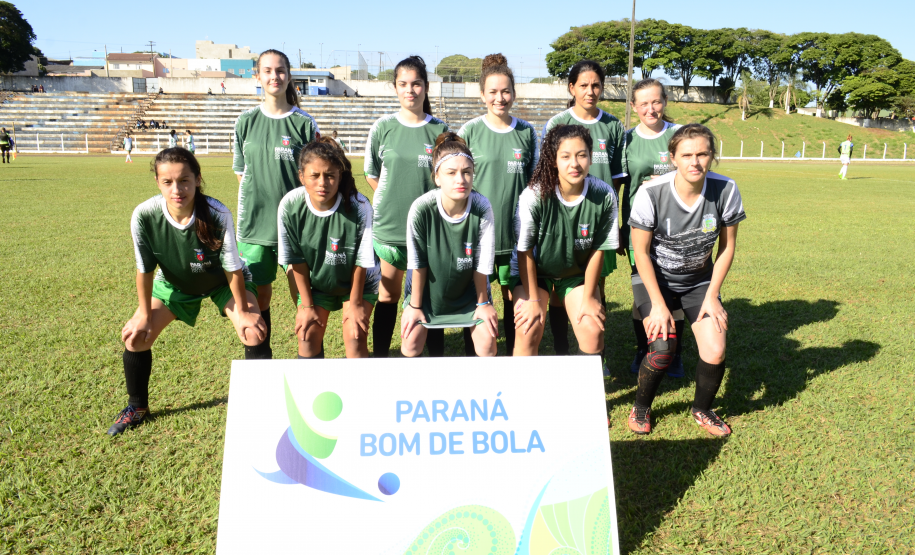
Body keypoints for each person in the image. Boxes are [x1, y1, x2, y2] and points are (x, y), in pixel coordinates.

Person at [108, 147, 268, 436]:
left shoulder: (217, 213)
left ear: (197, 179)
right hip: (175, 284)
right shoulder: (144, 215)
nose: (177, 189)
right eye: (167, 182)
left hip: (223, 282)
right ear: (158, 183)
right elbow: (144, 271)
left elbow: (232, 269)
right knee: (136, 337)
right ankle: (137, 407)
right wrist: (144, 315)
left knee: (253, 331)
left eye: (184, 180)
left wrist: (243, 313)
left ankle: (260, 405)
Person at [626, 124, 745, 437]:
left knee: (716, 347)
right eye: (687, 154)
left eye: (703, 154)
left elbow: (727, 246)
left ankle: (702, 409)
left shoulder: (727, 189)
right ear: (673, 158)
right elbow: (639, 251)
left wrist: (712, 295)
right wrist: (658, 305)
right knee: (663, 347)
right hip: (655, 279)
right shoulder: (651, 192)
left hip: (698, 282)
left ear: (711, 156)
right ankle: (641, 407)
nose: (695, 161)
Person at [232, 49, 320, 359]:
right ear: (257, 76)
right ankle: (260, 363)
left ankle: (309, 362)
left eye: (280, 70)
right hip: (255, 229)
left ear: (289, 75)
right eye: (267, 71)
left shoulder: (304, 124)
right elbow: (242, 173)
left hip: (297, 229)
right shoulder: (246, 121)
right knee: (259, 297)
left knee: (304, 298)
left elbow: (316, 176)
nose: (274, 76)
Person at [363, 55, 449, 358]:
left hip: (429, 232)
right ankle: (382, 358)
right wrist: (392, 198)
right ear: (395, 87)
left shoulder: (440, 130)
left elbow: (449, 179)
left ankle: (435, 359)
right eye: (403, 84)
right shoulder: (382, 127)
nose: (410, 90)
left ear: (426, 87)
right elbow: (372, 174)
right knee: (387, 296)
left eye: (416, 84)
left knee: (428, 297)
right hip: (390, 228)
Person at [511, 125, 619, 359]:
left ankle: (583, 393)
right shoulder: (534, 195)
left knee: (592, 330)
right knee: (528, 329)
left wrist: (590, 297)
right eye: (566, 156)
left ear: (591, 157)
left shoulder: (605, 195)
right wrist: (531, 299)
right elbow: (525, 251)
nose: (575, 163)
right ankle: (522, 393)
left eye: (582, 155)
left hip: (574, 273)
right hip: (534, 273)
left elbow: (598, 251)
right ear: (553, 160)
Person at [542, 60, 626, 358]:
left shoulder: (613, 125)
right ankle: (562, 349)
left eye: (596, 85)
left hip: (596, 221)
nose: (590, 91)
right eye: (583, 85)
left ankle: (593, 355)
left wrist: (610, 219)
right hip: (561, 220)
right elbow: (546, 175)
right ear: (571, 88)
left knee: (595, 287)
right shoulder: (557, 124)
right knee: (556, 291)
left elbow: (617, 180)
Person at [457, 53, 538, 356]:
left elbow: (536, 185)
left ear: (514, 93)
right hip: (477, 235)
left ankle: (509, 360)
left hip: (514, 236)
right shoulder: (469, 131)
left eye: (505, 91)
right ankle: (473, 357)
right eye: (492, 92)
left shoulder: (527, 132)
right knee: (476, 300)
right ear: (482, 95)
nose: (499, 98)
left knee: (511, 301)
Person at [278, 138, 379, 359]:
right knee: (307, 336)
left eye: (330, 175)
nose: (322, 183)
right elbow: (297, 261)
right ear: (301, 176)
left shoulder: (360, 206)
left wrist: (354, 304)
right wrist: (306, 306)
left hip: (359, 281)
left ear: (340, 176)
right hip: (317, 283)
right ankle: (310, 391)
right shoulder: (290, 205)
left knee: (355, 335)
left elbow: (361, 262)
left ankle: (360, 392)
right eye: (314, 175)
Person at [401, 132, 498, 357]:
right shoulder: (421, 208)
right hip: (427, 292)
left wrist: (483, 304)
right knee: (411, 342)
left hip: (469, 291)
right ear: (437, 177)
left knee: (487, 342)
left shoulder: (482, 206)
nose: (460, 180)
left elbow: (481, 264)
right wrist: (415, 306)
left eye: (467, 172)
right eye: (451, 173)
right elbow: (417, 262)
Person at [622, 79, 687, 378]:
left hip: (678, 227)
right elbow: (617, 186)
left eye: (656, 101)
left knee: (676, 291)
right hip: (639, 230)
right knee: (643, 293)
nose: (651, 108)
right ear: (633, 107)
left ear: (665, 101)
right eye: (643, 103)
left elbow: (697, 176)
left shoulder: (680, 135)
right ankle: (643, 348)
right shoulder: (625, 141)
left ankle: (676, 353)